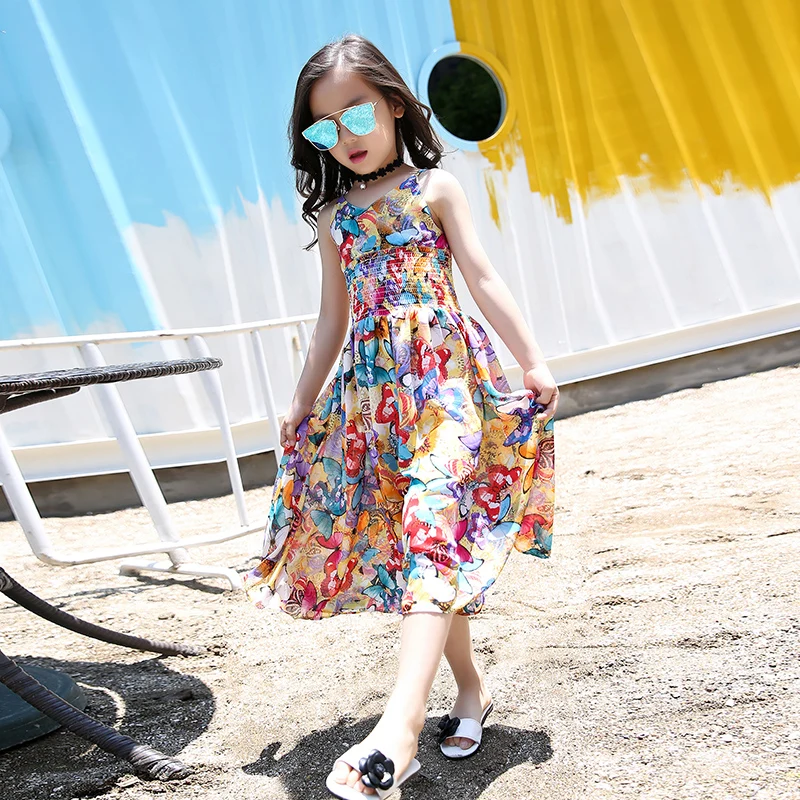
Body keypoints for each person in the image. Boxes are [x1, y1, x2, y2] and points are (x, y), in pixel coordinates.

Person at [243, 33, 557, 799]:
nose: (344, 135)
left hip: (447, 389)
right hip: (375, 406)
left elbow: (482, 278)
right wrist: (300, 402)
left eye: (356, 114)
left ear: (391, 106)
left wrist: (533, 359)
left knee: (429, 526)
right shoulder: (334, 219)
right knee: (423, 551)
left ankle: (399, 729)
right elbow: (330, 322)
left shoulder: (435, 189)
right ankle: (471, 688)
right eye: (324, 127)